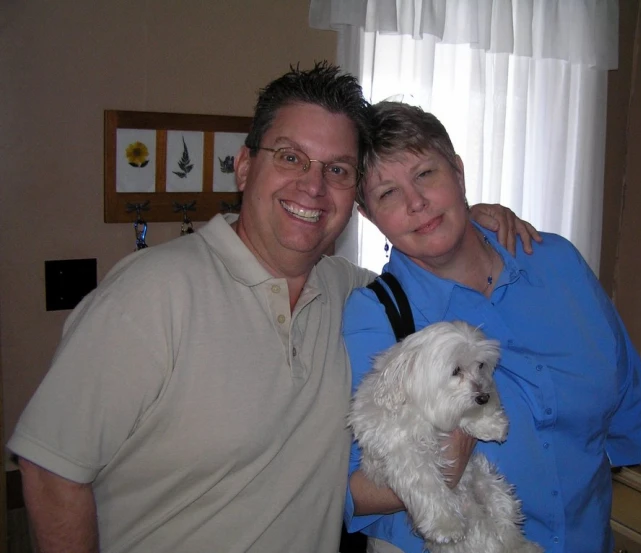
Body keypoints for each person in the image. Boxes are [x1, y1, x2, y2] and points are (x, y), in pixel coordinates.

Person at [7, 63, 537, 553]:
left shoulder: (351, 294)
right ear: (243, 167)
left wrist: (470, 220)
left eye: (338, 169)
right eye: (290, 157)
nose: (313, 185)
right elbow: (51, 471)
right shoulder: (152, 294)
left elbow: (432, 276)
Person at [341, 101, 641, 553]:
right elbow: (351, 490)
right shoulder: (376, 318)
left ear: (458, 171)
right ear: (371, 218)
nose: (416, 203)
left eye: (426, 174)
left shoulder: (557, 264)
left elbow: (632, 405)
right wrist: (453, 444)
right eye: (388, 194)